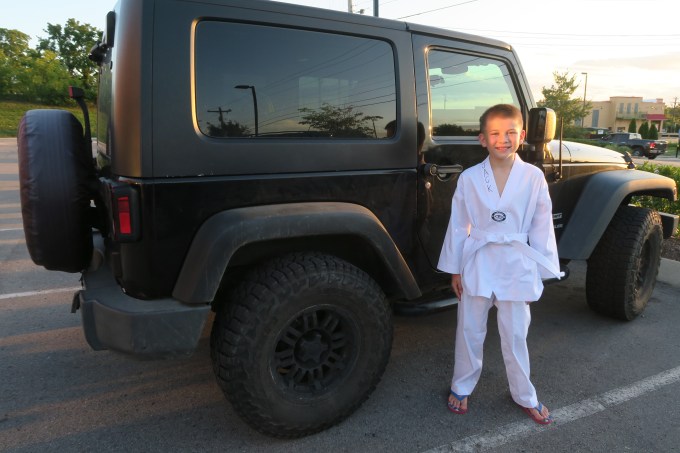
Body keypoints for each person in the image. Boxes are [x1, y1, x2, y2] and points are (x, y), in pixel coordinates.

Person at [437, 104, 562, 425]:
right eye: (494, 133)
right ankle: (462, 385)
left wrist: (540, 272)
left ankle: (524, 394)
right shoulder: (469, 178)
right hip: (478, 260)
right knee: (469, 329)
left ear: (522, 135)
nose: (502, 140)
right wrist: (455, 269)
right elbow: (458, 225)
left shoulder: (533, 177)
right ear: (483, 139)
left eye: (510, 133)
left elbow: (542, 225)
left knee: (516, 334)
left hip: (517, 262)